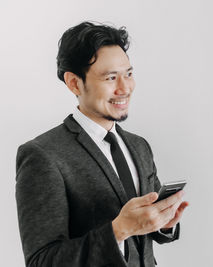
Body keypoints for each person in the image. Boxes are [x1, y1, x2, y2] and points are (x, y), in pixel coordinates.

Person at [15, 21, 189, 267]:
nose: (125, 88)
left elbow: (143, 236)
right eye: (110, 78)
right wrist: (118, 230)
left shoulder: (139, 146)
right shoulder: (43, 155)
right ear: (74, 83)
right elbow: (42, 261)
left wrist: (163, 224)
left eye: (129, 74)